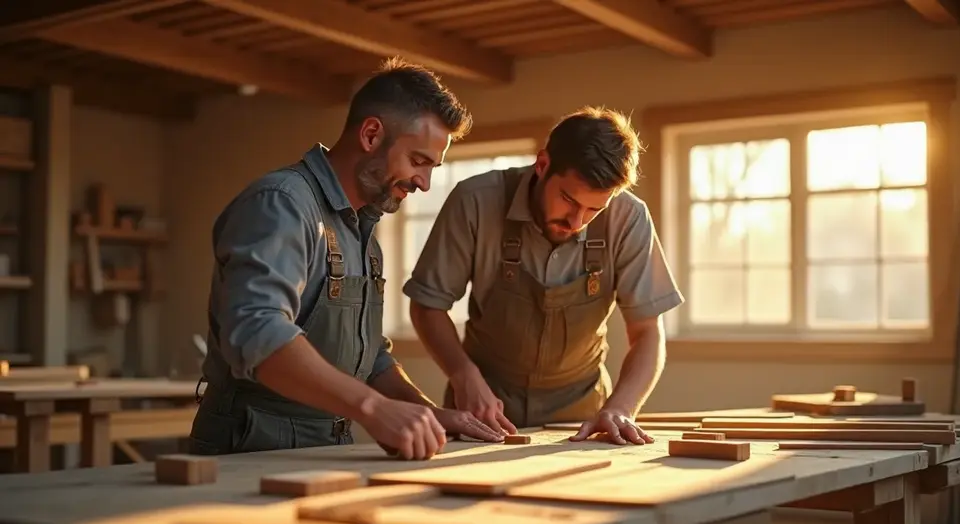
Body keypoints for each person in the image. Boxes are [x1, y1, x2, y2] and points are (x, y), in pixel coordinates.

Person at [188, 58, 506, 461]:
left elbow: (369, 359)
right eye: (418, 161)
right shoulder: (282, 204)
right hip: (248, 445)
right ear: (371, 135)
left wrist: (429, 414)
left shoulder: (364, 234)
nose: (424, 183)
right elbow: (258, 330)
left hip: (325, 446)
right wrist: (374, 408)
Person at [404, 107, 684, 445]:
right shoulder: (475, 201)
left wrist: (622, 408)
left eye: (594, 209)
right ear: (542, 165)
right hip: (483, 409)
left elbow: (647, 331)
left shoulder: (629, 217)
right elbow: (427, 306)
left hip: (582, 414)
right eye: (568, 199)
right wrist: (463, 375)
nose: (576, 222)